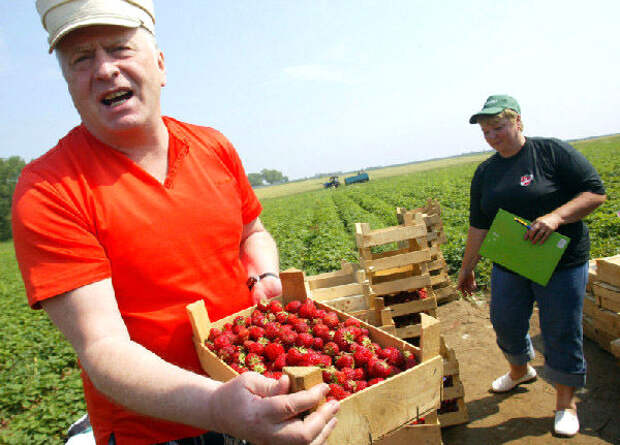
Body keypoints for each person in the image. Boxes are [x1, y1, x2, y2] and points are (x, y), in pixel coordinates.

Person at [12, 1, 339, 444]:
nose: (105, 69)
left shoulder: (213, 147)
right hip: (154, 432)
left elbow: (253, 232)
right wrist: (217, 406)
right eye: (81, 59)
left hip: (259, 390)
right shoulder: (49, 189)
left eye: (119, 48)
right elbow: (102, 347)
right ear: (69, 83)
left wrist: (263, 274)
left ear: (160, 65)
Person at [457, 95, 606, 437]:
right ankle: (520, 370)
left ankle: (565, 403)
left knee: (560, 328)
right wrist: (467, 268)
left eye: (499, 127)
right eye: (486, 131)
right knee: (505, 320)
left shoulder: (551, 153)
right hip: (512, 261)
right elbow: (479, 224)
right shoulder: (486, 172)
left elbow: (595, 193)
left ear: (518, 122)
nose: (493, 136)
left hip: (561, 262)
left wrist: (556, 217)